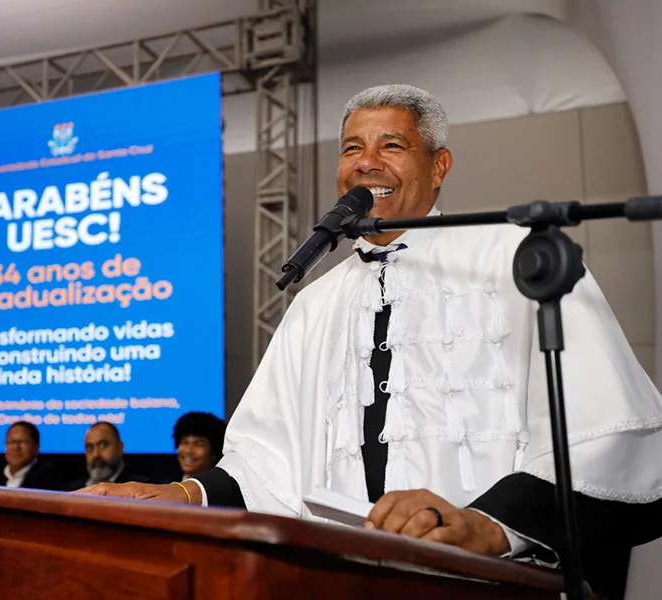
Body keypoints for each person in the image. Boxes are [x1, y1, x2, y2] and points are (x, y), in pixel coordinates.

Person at [75, 84, 662, 597]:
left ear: (440, 166)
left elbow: (599, 433)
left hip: (490, 585)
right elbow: (265, 460)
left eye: (392, 146)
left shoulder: (518, 260)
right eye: (353, 148)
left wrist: (489, 525)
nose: (366, 163)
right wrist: (186, 493)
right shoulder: (315, 302)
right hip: (342, 585)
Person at [0, 421, 62, 490]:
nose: (15, 447)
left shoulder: (49, 476)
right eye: (11, 441)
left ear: (36, 447)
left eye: (22, 442)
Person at [65, 422, 148, 490]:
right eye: (90, 448)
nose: (96, 454)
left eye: (103, 445)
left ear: (120, 447)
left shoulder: (142, 488)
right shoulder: (71, 491)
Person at [172, 412, 225, 481]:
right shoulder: (165, 488)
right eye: (185, 442)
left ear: (215, 452)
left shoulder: (227, 490)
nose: (188, 450)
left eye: (199, 444)